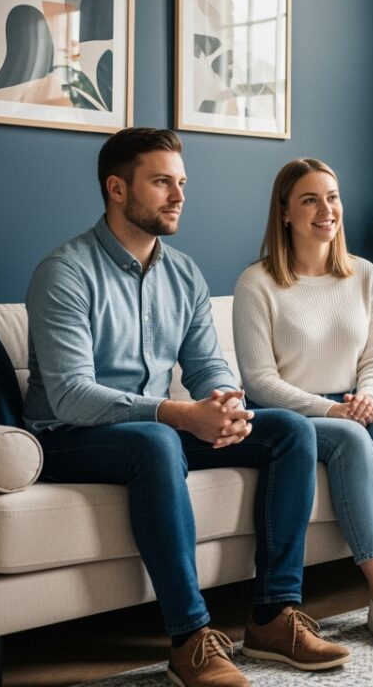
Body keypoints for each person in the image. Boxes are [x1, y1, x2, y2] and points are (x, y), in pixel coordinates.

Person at [24, 130, 350, 687]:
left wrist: (226, 403)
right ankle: (190, 639)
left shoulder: (184, 273)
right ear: (117, 189)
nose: (178, 196)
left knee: (291, 430)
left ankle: (273, 617)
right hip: (68, 436)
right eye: (161, 182)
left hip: (156, 430)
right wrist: (180, 414)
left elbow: (207, 366)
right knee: (155, 440)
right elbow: (72, 395)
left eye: (181, 183)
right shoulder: (65, 271)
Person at [232, 158, 373, 652]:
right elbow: (259, 381)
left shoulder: (364, 275)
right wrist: (330, 410)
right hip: (291, 416)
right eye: (310, 200)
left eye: (332, 197)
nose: (326, 210)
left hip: (354, 405)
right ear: (285, 212)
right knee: (353, 437)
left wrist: (369, 398)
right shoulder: (257, 283)